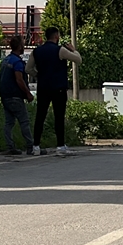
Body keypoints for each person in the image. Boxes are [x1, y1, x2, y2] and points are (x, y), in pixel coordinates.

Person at [27, 27, 82, 155]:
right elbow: (78, 60)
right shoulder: (60, 50)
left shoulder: (36, 52)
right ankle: (60, 146)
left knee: (40, 116)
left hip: (43, 88)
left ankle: (36, 146)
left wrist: (39, 75)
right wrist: (74, 50)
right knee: (59, 116)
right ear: (56, 36)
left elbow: (28, 69)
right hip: (58, 88)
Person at [0, 36, 36, 155]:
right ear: (20, 46)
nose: (24, 46)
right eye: (23, 44)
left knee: (9, 122)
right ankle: (31, 146)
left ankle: (10, 146)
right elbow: (19, 79)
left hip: (5, 97)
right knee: (24, 122)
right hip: (15, 96)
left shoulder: (6, 60)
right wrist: (28, 93)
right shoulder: (17, 62)